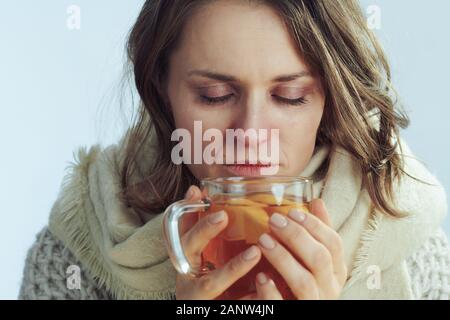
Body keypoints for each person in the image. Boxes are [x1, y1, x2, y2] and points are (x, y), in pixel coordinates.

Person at [19, 0, 449, 300]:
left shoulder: (409, 243)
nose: (252, 134)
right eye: (215, 95)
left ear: (330, 99)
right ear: (159, 89)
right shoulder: (75, 256)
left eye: (291, 96)